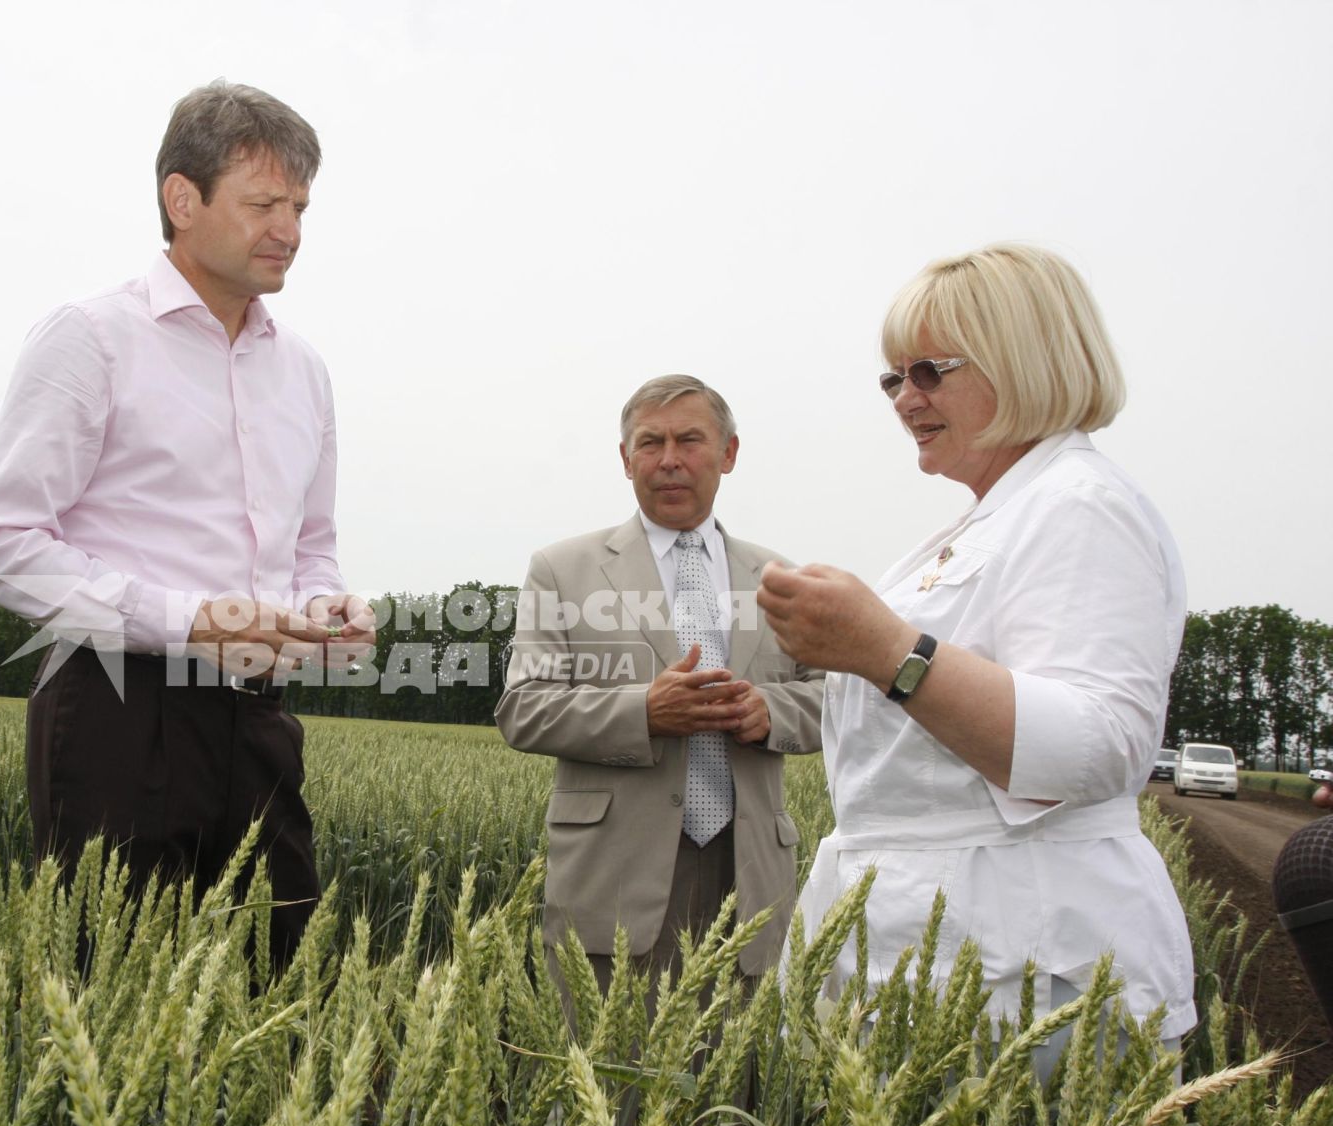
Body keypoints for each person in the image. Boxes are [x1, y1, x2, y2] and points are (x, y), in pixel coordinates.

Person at [0, 81, 373, 965]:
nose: (290, 229)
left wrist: (327, 605)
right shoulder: (91, 338)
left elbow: (311, 547)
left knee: (281, 992)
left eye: (300, 207)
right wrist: (190, 622)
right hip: (118, 712)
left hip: (261, 722)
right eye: (264, 203)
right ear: (181, 200)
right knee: (108, 1003)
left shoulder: (305, 371)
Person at [758, 243, 1195, 1071]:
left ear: (1024, 359)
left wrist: (883, 647)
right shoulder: (990, 520)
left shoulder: (1084, 509)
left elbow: (1100, 746)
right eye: (892, 379)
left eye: (928, 370)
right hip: (937, 952)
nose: (905, 399)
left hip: (1022, 972)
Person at [496, 374, 826, 1013]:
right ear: (625, 460)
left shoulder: (782, 579)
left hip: (750, 872)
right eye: (650, 443)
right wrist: (643, 713)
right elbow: (523, 706)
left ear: (728, 453)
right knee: (610, 1095)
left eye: (690, 440)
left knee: (736, 1095)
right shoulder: (562, 570)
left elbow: (835, 700)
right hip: (614, 877)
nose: (669, 459)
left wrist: (770, 711)